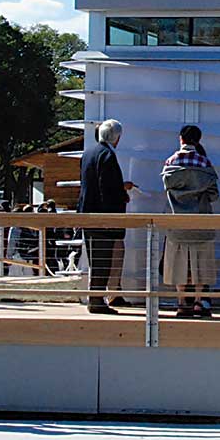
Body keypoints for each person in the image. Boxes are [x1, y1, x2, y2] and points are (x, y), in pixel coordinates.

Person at [161, 125, 219, 318]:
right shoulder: (204, 163)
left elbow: (167, 190)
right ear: (198, 140)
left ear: (181, 139)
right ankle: (198, 302)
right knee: (200, 263)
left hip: (177, 222)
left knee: (179, 264)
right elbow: (214, 194)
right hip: (200, 221)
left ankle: (181, 303)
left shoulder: (170, 162)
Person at [79, 119, 136, 314]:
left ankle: (96, 298)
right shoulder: (108, 156)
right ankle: (96, 300)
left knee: (96, 258)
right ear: (117, 138)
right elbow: (108, 190)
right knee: (103, 259)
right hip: (104, 217)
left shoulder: (89, 153)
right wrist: (122, 196)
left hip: (87, 213)